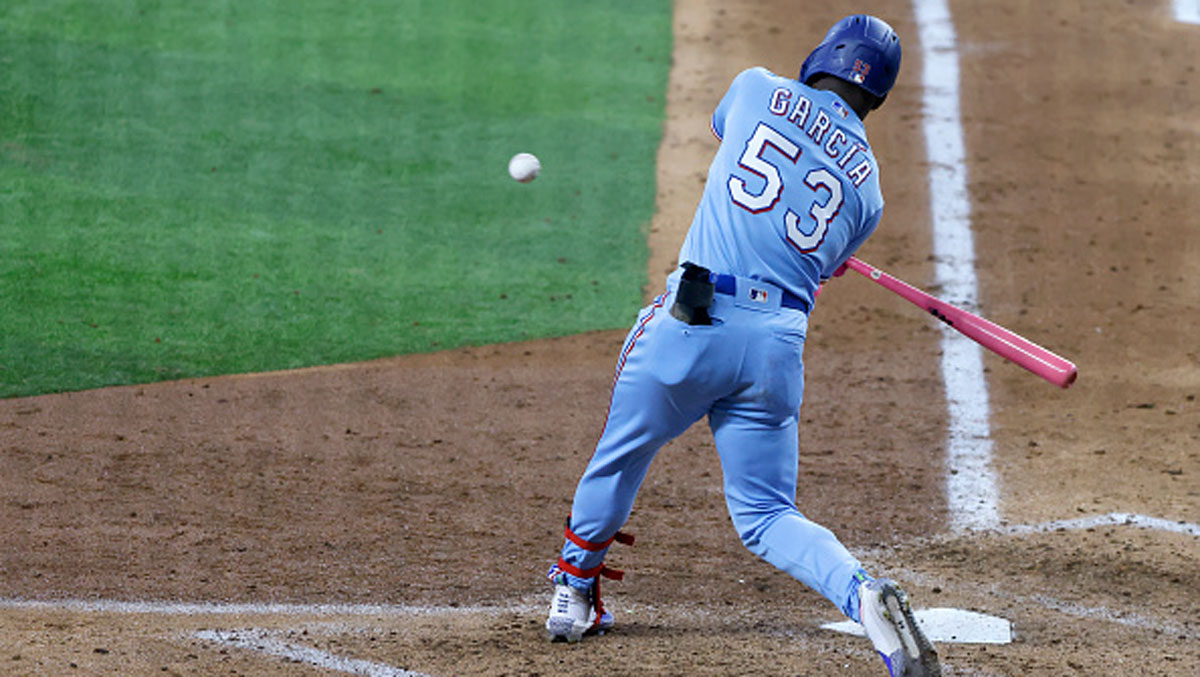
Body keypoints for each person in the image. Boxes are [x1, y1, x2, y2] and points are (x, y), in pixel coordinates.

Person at [544, 15, 941, 677]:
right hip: (774, 348)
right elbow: (821, 259)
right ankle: (862, 593)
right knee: (765, 513)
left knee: (624, 452)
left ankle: (573, 592)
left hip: (693, 320)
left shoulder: (756, 87)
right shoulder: (868, 192)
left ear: (825, 56)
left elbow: (732, 140)